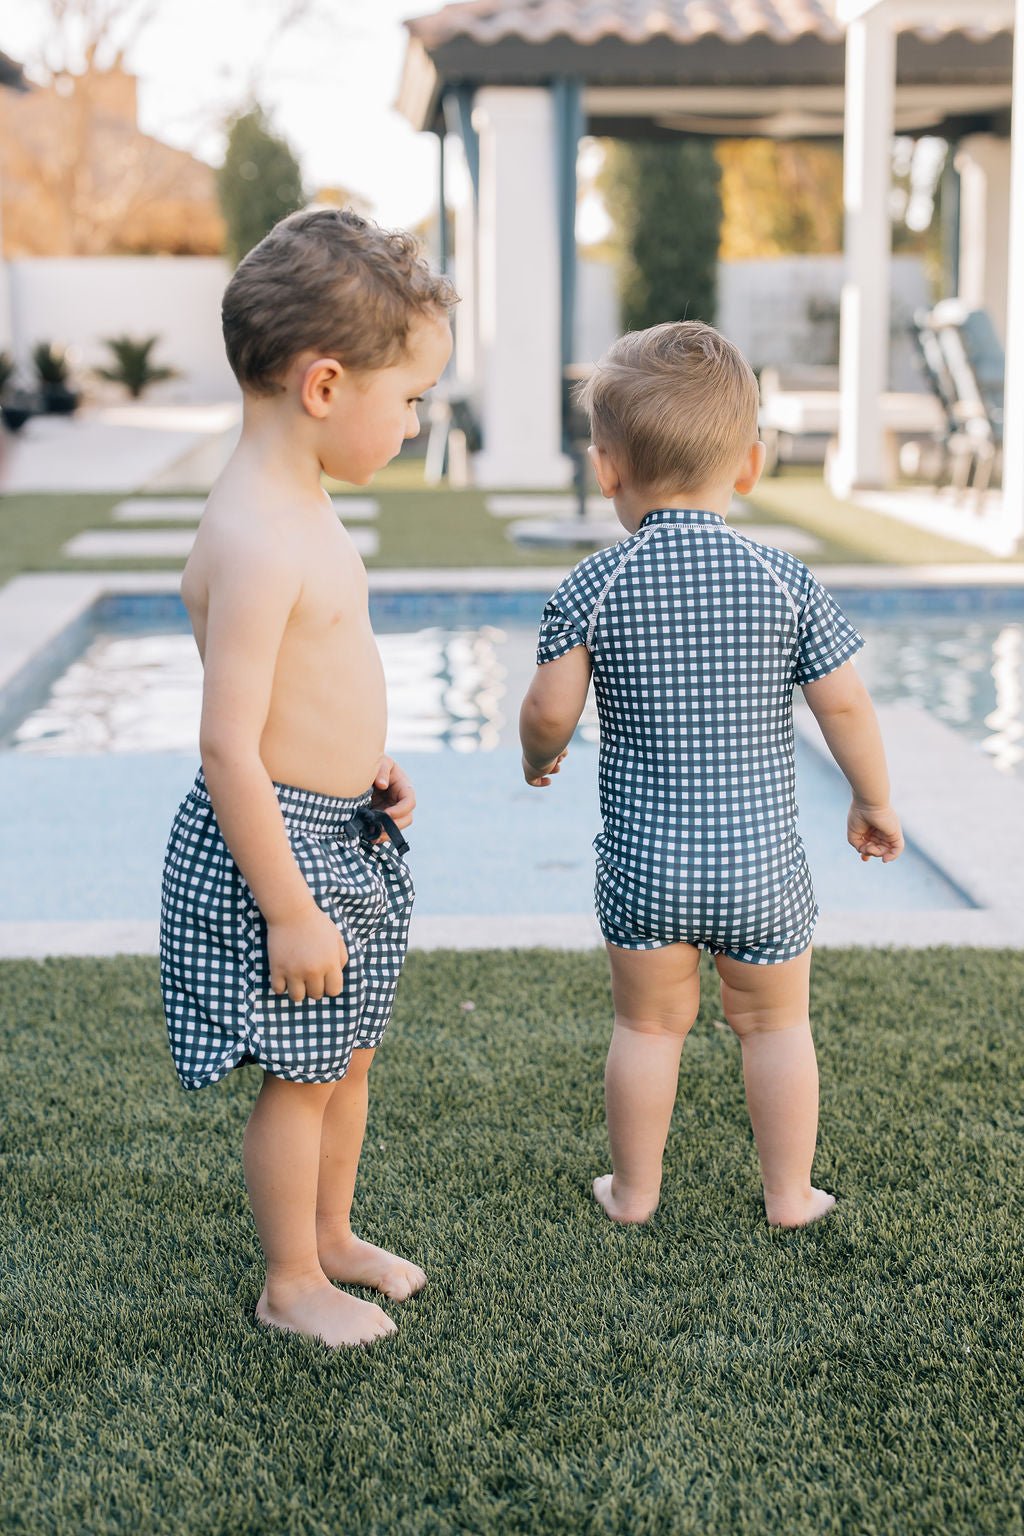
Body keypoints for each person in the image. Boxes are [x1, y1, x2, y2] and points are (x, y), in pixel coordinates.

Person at [519, 321, 903, 1230]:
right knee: (776, 1027)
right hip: (759, 866)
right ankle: (789, 1195)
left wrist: (540, 757)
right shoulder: (784, 580)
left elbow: (546, 712)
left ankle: (634, 1193)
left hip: (648, 865)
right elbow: (846, 708)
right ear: (751, 465)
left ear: (607, 469)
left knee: (647, 1027)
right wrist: (873, 798)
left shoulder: (596, 584)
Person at [160, 208, 455, 1346]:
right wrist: (287, 907)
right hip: (279, 849)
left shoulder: (301, 501)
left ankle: (331, 1237)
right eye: (411, 398)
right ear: (324, 386)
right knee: (301, 1073)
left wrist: (359, 766)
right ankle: (289, 1282)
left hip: (341, 825)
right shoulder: (256, 535)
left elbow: (309, 681)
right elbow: (229, 747)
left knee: (346, 1057)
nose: (416, 422)